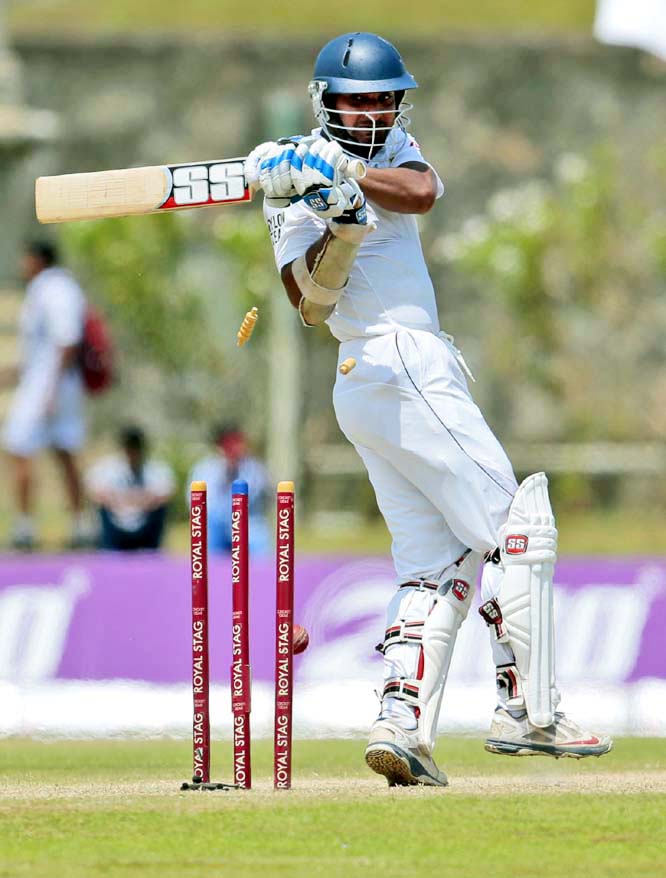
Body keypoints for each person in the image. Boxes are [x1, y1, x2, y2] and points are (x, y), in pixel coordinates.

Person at [245, 32, 612, 787]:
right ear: (327, 102)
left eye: (386, 98)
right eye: (360, 100)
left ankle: (402, 724)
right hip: (393, 361)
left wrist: (345, 175)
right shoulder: (291, 187)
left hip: (379, 385)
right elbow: (311, 304)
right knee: (519, 527)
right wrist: (337, 222)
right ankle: (530, 711)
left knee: (435, 565)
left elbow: (422, 192)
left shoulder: (386, 153)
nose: (375, 111)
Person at [1, 240, 90, 550]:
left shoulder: (55, 288)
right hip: (50, 383)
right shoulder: (46, 288)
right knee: (63, 450)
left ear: (38, 259)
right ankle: (80, 525)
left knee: (18, 446)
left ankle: (26, 528)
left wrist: (50, 390)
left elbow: (67, 340)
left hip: (51, 386)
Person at [85, 426, 174, 550]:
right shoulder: (106, 468)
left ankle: (151, 553)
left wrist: (125, 499)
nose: (132, 453)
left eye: (135, 447)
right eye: (128, 447)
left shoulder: (157, 469)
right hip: (114, 527)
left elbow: (164, 494)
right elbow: (96, 493)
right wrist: (137, 498)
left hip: (146, 527)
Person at [188, 424, 271, 554]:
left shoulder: (255, 468)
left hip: (249, 523)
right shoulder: (204, 468)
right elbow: (197, 503)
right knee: (210, 532)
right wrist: (225, 471)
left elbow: (257, 496)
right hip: (215, 525)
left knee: (261, 545)